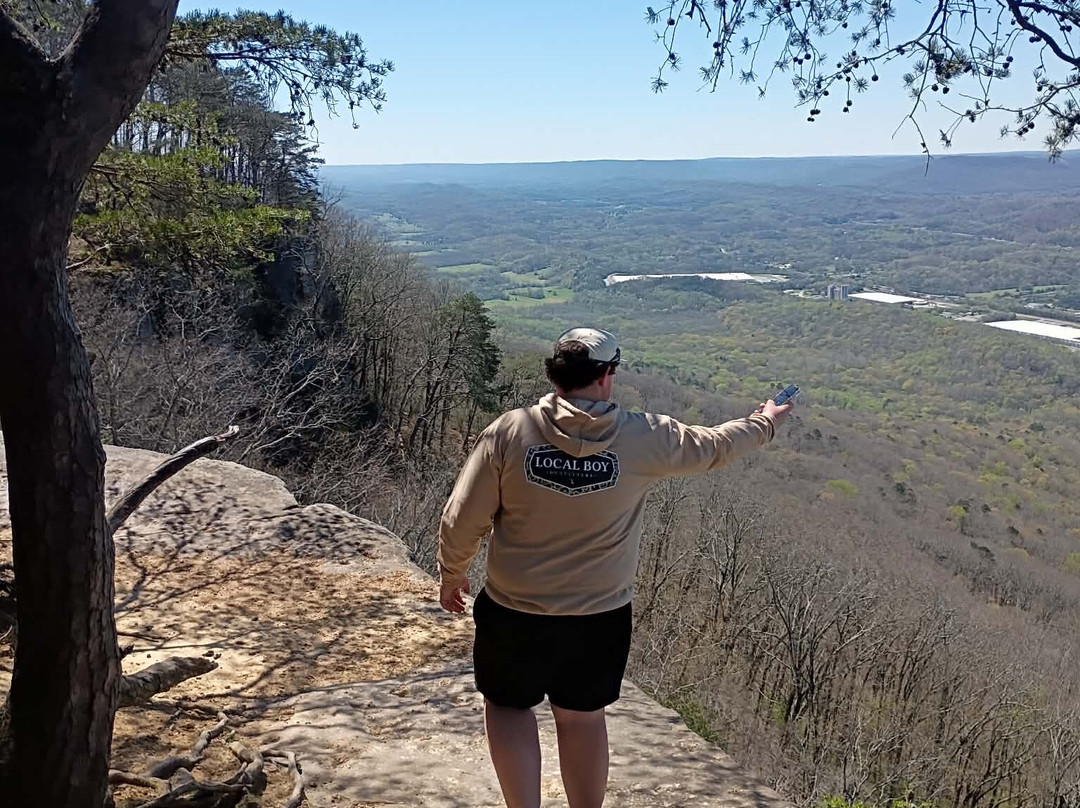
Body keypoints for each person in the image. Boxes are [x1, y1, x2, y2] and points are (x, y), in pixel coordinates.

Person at [437, 326, 792, 808]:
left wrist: (452, 572)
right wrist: (764, 421)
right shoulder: (644, 436)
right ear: (607, 376)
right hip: (599, 615)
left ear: (555, 376)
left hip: (514, 609)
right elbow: (714, 447)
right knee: (582, 718)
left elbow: (463, 517)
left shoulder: (511, 432)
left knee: (508, 708)